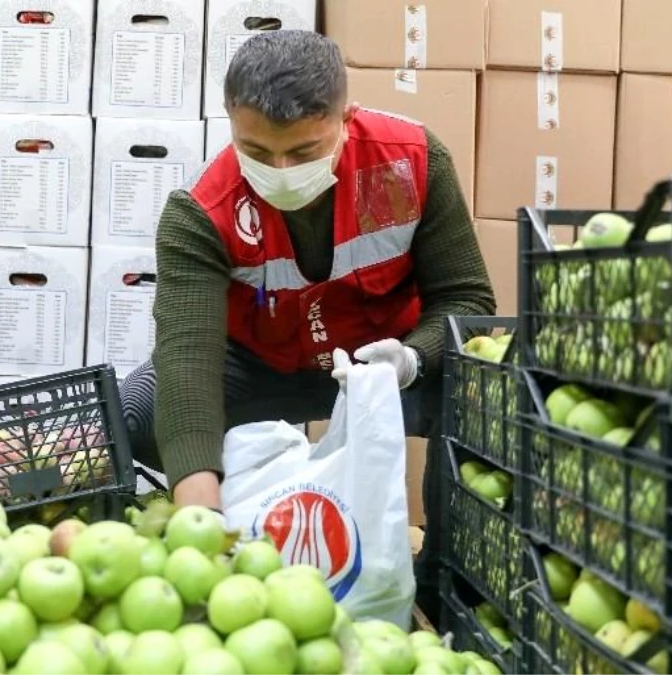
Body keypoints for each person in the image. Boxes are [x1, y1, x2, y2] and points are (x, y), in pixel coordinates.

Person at [118, 30, 496, 619]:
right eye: (257, 152)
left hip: (383, 370)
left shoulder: (411, 163)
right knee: (138, 411)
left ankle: (442, 580)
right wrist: (202, 528)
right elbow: (188, 363)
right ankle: (248, 520)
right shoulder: (201, 213)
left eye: (303, 152)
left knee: (480, 392)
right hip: (260, 366)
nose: (281, 170)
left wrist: (413, 357)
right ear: (230, 122)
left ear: (346, 117)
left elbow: (466, 299)